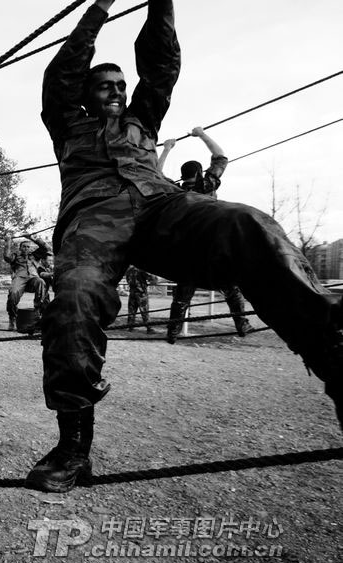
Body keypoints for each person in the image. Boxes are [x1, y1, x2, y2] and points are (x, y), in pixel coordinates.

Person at [32, 0, 343, 494]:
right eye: (104, 85)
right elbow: (61, 69)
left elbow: (161, 65)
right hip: (94, 218)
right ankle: (74, 447)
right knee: (74, 300)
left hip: (160, 206)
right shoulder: (67, 122)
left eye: (120, 85)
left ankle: (334, 355)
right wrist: (102, 6)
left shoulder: (144, 121)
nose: (117, 90)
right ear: (86, 95)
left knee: (246, 223)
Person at [159, 127, 255, 342]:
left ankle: (172, 332)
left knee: (182, 295)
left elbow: (155, 174)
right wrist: (201, 135)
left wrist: (166, 149)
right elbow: (221, 156)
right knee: (230, 287)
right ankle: (242, 323)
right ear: (199, 173)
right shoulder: (208, 184)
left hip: (189, 249)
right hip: (212, 246)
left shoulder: (176, 191)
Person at [4, 233, 52, 331]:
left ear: (30, 248)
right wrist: (8, 241)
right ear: (20, 248)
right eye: (24, 247)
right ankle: (12, 318)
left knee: (41, 282)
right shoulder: (16, 256)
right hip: (20, 278)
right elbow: (7, 257)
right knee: (13, 293)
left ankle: (38, 312)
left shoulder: (35, 256)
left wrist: (32, 238)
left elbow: (47, 248)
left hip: (33, 279)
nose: (26, 248)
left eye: (28, 247)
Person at [125, 265, 154, 334]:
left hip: (132, 292)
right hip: (141, 293)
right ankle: (149, 328)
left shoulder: (129, 269)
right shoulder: (141, 269)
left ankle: (130, 327)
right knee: (144, 311)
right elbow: (151, 278)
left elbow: (127, 279)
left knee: (131, 311)